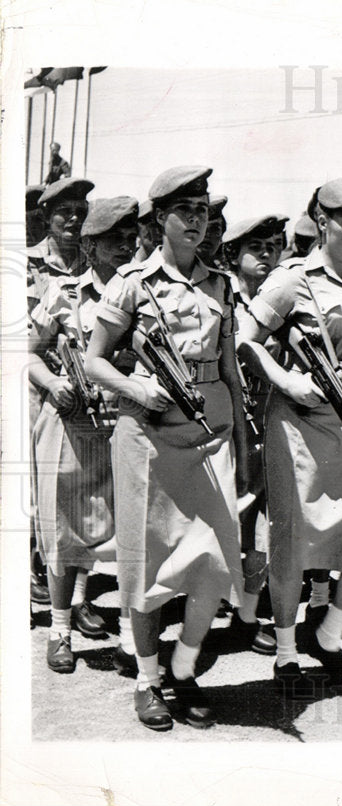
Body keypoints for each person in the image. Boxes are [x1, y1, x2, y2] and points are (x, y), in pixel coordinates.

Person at [85, 166, 247, 732]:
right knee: (148, 565)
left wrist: (242, 445)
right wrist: (135, 387)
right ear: (160, 220)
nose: (198, 220)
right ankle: (148, 680)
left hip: (210, 436)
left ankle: (183, 666)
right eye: (186, 210)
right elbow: (94, 358)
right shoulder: (130, 282)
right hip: (148, 437)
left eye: (204, 209)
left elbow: (229, 371)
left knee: (219, 559)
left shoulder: (222, 284)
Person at [237, 179, 342, 696]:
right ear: (321, 222)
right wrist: (284, 380)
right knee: (292, 543)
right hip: (301, 425)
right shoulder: (292, 281)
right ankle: (286, 653)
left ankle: (327, 636)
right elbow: (245, 342)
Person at [28, 197, 139, 675]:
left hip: (128, 425)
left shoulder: (143, 293)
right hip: (72, 423)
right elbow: (29, 354)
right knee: (64, 526)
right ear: (90, 246)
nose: (125, 246)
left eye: (131, 237)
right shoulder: (64, 293)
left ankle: (133, 641)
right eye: (114, 239)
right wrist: (53, 382)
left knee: (132, 530)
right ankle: (59, 630)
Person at [218, 214, 290, 656]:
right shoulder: (220, 296)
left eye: (274, 246)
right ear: (233, 254)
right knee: (225, 516)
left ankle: (247, 615)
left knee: (263, 523)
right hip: (225, 424)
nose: (267, 254)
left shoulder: (283, 301)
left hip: (270, 418)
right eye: (256, 247)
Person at [27, 178, 93, 311]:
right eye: (65, 211)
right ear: (47, 216)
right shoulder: (27, 262)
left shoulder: (92, 264)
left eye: (80, 212)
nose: (75, 218)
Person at [196, 194, 228, 267]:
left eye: (215, 229)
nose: (208, 234)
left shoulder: (225, 277)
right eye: (202, 227)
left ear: (221, 238)